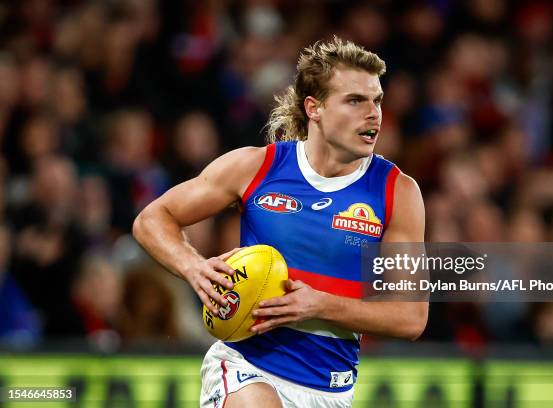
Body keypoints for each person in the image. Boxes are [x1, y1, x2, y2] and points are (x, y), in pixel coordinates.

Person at [133, 36, 428, 408]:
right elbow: (152, 219)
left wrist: (319, 305)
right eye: (355, 100)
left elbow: (411, 317)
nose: (374, 113)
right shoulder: (257, 167)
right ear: (314, 108)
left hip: (330, 390)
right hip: (246, 368)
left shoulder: (397, 192)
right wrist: (194, 269)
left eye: (377, 100)